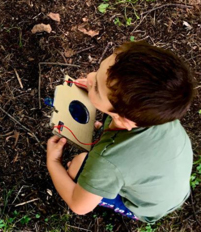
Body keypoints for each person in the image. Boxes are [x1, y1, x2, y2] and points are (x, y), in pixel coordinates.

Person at [46, 41, 195, 223]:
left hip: (147, 207)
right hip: (169, 185)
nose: (90, 76)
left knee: (77, 165)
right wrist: (97, 90)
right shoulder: (157, 114)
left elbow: (79, 206)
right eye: (98, 73)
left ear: (123, 119)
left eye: (96, 88)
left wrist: (53, 163)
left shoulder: (106, 161)